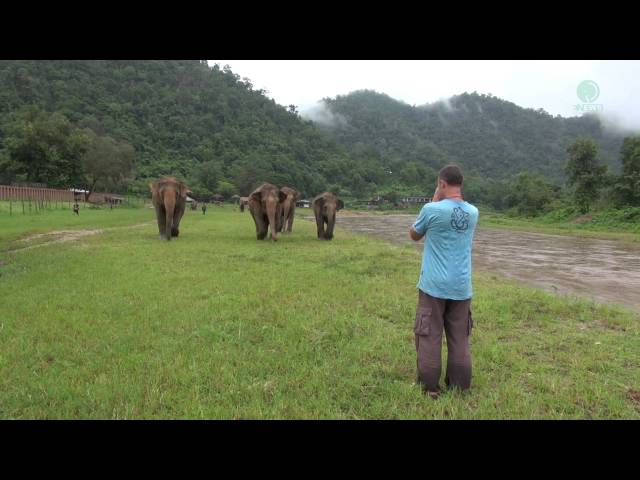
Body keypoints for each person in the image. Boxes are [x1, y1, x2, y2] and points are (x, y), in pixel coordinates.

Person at [408, 165, 479, 398]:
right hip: (462, 286)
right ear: (461, 184)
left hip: (434, 286)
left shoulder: (431, 209)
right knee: (460, 337)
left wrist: (434, 199)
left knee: (429, 334)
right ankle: (460, 387)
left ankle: (430, 388)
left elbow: (414, 235)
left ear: (441, 183)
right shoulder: (474, 212)